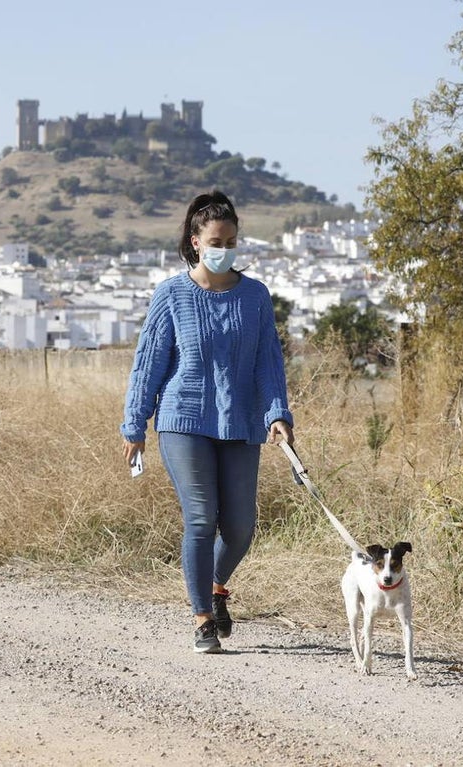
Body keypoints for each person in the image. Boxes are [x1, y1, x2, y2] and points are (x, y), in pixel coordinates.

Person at [120, 190, 294, 654]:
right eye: (217, 242)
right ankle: (202, 619)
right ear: (196, 242)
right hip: (183, 420)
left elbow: (268, 363)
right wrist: (135, 425)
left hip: (241, 423)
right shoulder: (171, 295)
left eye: (232, 242)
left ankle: (216, 586)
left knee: (240, 528)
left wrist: (278, 413)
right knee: (201, 518)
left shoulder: (255, 296)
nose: (225, 250)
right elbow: (148, 364)